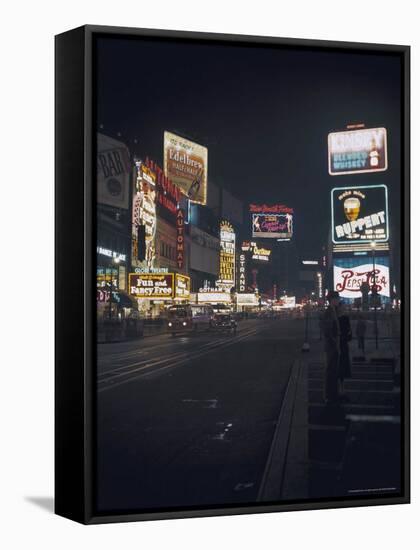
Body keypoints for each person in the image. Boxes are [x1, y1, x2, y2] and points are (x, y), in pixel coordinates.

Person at [322, 291, 341, 404]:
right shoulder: (329, 312)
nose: (338, 300)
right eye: (337, 298)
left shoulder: (333, 311)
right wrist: (334, 344)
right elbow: (328, 331)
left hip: (333, 345)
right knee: (331, 371)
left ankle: (333, 394)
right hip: (331, 346)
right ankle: (330, 396)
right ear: (332, 300)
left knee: (334, 371)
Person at [338, 304, 352, 392]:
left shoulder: (343, 319)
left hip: (340, 345)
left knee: (340, 367)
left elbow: (350, 334)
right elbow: (350, 334)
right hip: (341, 346)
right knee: (341, 367)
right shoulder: (344, 319)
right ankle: (341, 388)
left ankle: (341, 388)